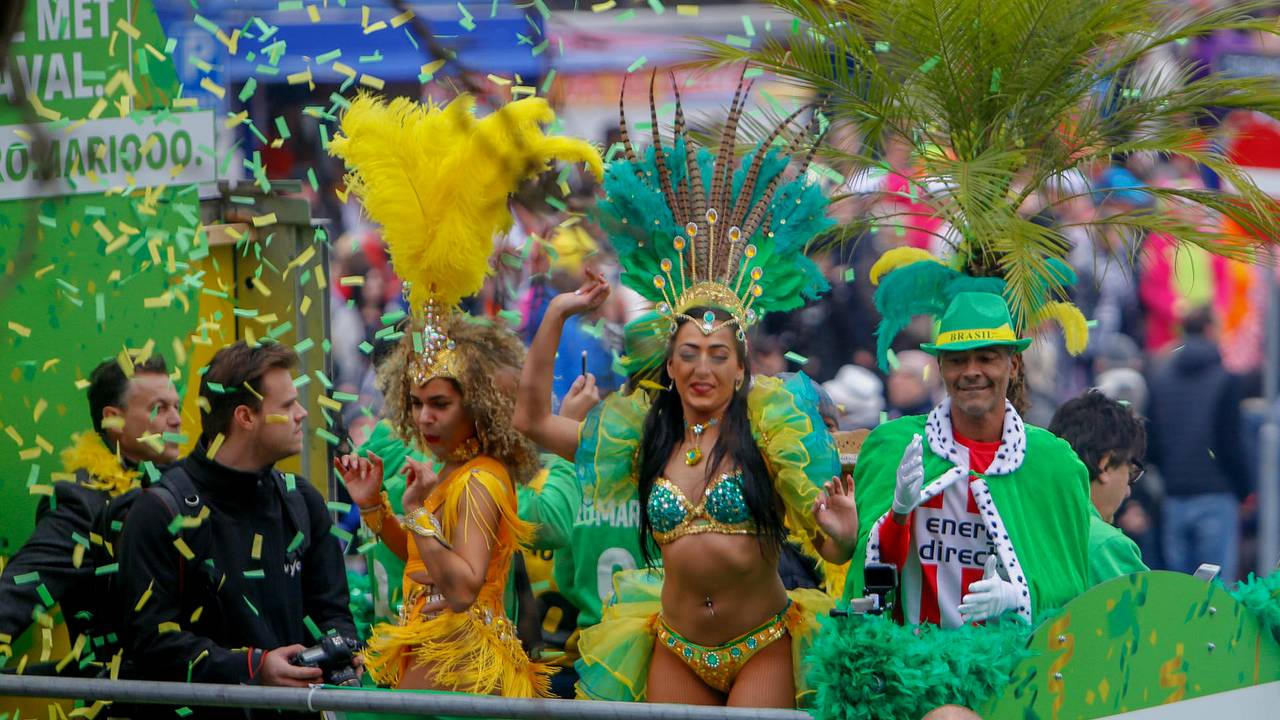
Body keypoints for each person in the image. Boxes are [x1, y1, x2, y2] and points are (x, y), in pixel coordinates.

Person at [515, 74, 857, 708]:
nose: (703, 369)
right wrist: (557, 315)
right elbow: (533, 420)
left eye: (719, 356)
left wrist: (841, 529)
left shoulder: (768, 425)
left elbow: (834, 543)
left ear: (740, 366)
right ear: (669, 366)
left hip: (762, 641)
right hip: (674, 642)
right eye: (689, 355)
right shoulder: (642, 430)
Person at [327, 90, 601, 696]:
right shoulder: (452, 472)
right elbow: (422, 565)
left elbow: (461, 586)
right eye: (417, 403)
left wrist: (419, 512)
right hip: (438, 669)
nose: (424, 417)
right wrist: (379, 511)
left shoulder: (478, 479)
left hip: (461, 678)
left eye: (440, 404)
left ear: (474, 406)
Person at [117, 342, 356, 715]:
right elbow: (149, 643)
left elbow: (333, 612)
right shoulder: (160, 510)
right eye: (288, 405)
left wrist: (340, 651)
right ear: (245, 417)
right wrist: (254, 668)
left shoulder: (302, 501)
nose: (303, 413)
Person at [846, 288, 1092, 627]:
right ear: (941, 368)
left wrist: (1019, 596)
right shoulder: (895, 446)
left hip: (1012, 668)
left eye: (987, 357)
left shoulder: (1055, 465)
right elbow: (871, 578)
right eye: (958, 359)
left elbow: (1072, 592)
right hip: (914, 668)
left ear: (1015, 365)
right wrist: (899, 515)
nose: (971, 371)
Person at [0, 354, 181, 668]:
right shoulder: (84, 502)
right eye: (159, 408)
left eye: (177, 406)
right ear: (113, 420)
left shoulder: (185, 489)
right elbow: (20, 589)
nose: (176, 419)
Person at [1146, 305, 1250, 581]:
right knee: (1215, 598)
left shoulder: (1160, 379)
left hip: (1174, 498)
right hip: (1216, 497)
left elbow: (1151, 444)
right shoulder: (1226, 379)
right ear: (1209, 330)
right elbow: (1230, 443)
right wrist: (1244, 489)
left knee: (1180, 598)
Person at [1048, 390, 1150, 585]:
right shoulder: (1105, 544)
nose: (1128, 491)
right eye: (1130, 473)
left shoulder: (1029, 521)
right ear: (1105, 463)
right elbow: (1148, 612)